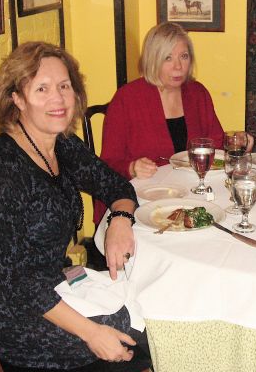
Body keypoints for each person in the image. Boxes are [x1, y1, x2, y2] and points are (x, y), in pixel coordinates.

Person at [0, 42, 145, 369]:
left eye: (64, 86)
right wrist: (90, 333)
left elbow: (116, 185)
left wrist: (119, 219)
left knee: (144, 292)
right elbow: (17, 279)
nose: (58, 99)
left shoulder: (60, 143)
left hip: (55, 278)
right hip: (10, 314)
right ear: (16, 98)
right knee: (128, 322)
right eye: (42, 89)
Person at [94, 22, 225, 223]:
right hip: (141, 201)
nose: (178, 66)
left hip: (192, 195)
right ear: (152, 60)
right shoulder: (127, 98)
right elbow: (107, 163)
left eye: (184, 56)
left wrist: (239, 142)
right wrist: (132, 168)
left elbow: (217, 143)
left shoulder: (197, 93)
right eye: (168, 58)